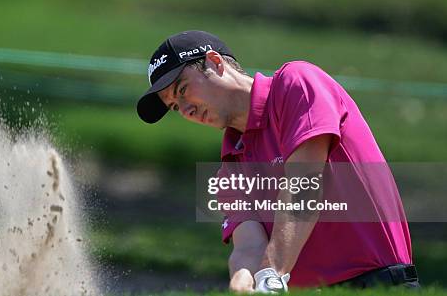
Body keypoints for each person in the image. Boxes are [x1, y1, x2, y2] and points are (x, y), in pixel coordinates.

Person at [136, 30, 419, 293]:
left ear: (215, 62)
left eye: (183, 90)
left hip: (378, 284)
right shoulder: (230, 167)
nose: (185, 110)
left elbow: (304, 185)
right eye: (174, 106)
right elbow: (248, 248)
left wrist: (272, 273)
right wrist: (242, 282)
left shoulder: (297, 84)